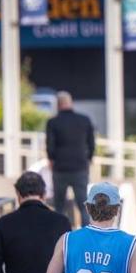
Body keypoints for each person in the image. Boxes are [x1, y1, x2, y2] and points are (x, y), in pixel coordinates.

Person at [45, 90, 95, 227]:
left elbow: (50, 145)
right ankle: (86, 235)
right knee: (83, 204)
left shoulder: (53, 122)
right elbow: (91, 143)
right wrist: (89, 158)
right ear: (70, 102)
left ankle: (61, 235)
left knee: (60, 206)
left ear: (58, 104)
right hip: (80, 167)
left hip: (60, 168)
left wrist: (51, 159)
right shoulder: (84, 120)